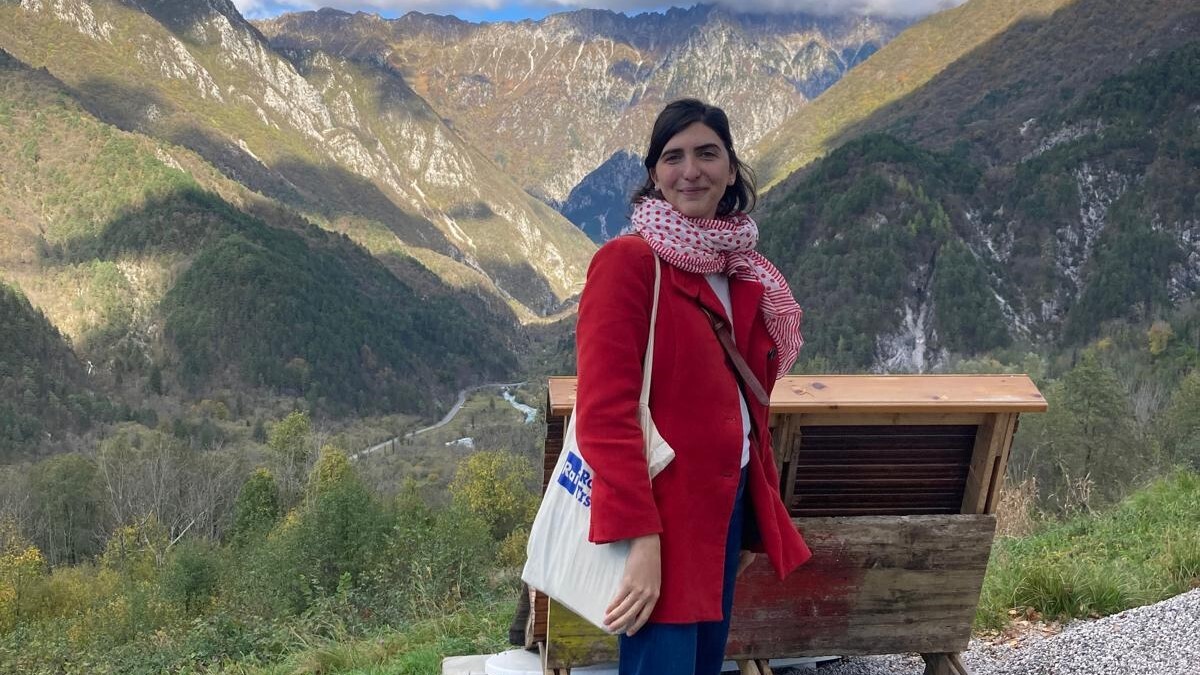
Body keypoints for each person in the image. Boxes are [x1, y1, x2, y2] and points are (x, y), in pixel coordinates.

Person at [574, 98, 813, 675]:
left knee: (704, 664)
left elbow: (746, 399)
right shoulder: (630, 262)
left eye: (707, 154)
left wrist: (749, 508)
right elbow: (604, 414)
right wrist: (641, 539)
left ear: (731, 168)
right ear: (654, 174)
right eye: (673, 157)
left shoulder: (738, 267)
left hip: (723, 505)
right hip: (663, 514)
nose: (691, 171)